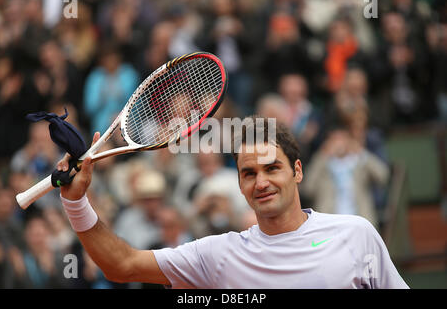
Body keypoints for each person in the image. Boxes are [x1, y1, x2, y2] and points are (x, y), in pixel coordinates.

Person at [56, 117, 408, 288]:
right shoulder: (218, 255)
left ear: (297, 171)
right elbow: (122, 265)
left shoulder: (356, 234)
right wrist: (77, 203)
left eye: (273, 168)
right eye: (250, 173)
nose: (262, 182)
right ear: (239, 183)